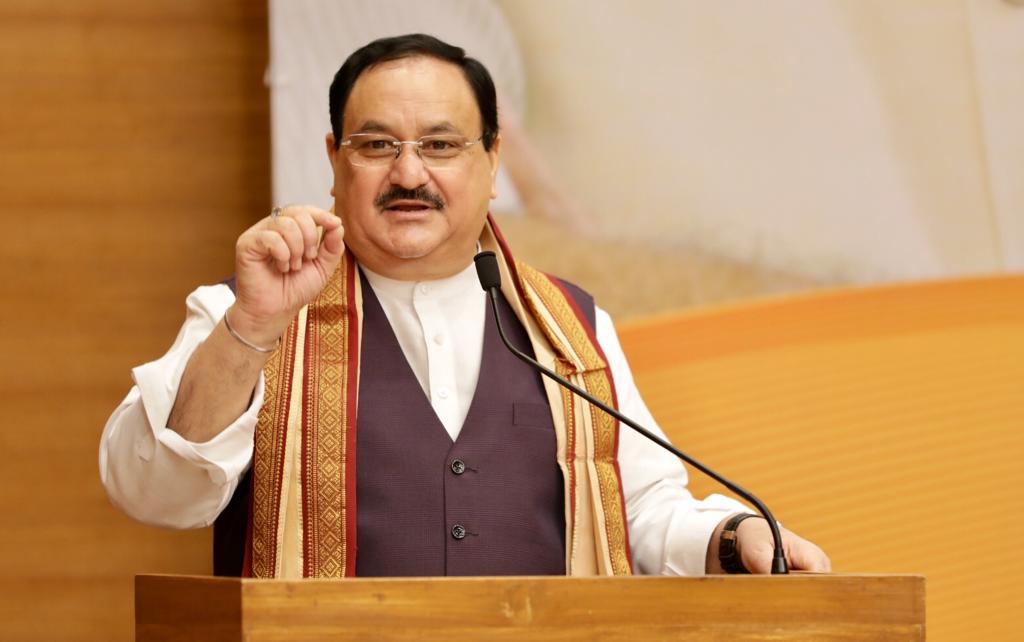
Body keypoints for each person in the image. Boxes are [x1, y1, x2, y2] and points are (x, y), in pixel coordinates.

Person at [99, 34, 830, 578]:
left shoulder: (570, 325)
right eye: (377, 144)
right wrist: (252, 330)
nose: (409, 173)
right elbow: (154, 494)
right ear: (333, 159)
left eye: (441, 145)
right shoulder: (246, 312)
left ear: (492, 160)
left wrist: (733, 539)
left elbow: (640, 511)